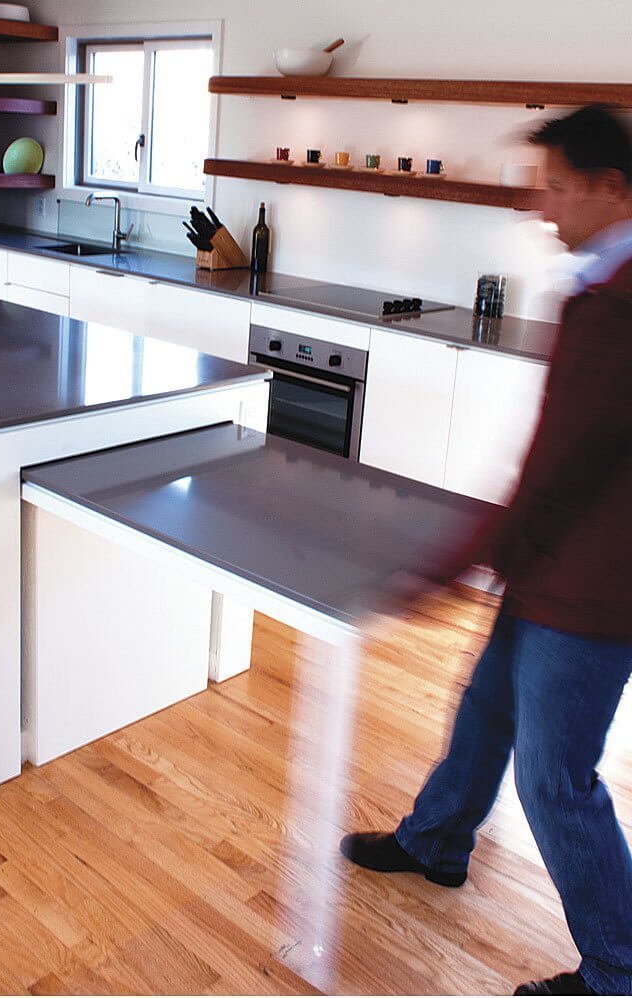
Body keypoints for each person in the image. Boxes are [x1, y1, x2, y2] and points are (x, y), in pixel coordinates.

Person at [340, 104, 632, 997]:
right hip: (557, 565)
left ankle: (620, 968)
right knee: (485, 710)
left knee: (557, 779)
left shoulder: (620, 305)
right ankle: (437, 841)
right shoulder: (604, 285)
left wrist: (441, 567)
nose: (541, 209)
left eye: (554, 186)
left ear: (610, 187)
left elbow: (557, 468)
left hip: (594, 586)